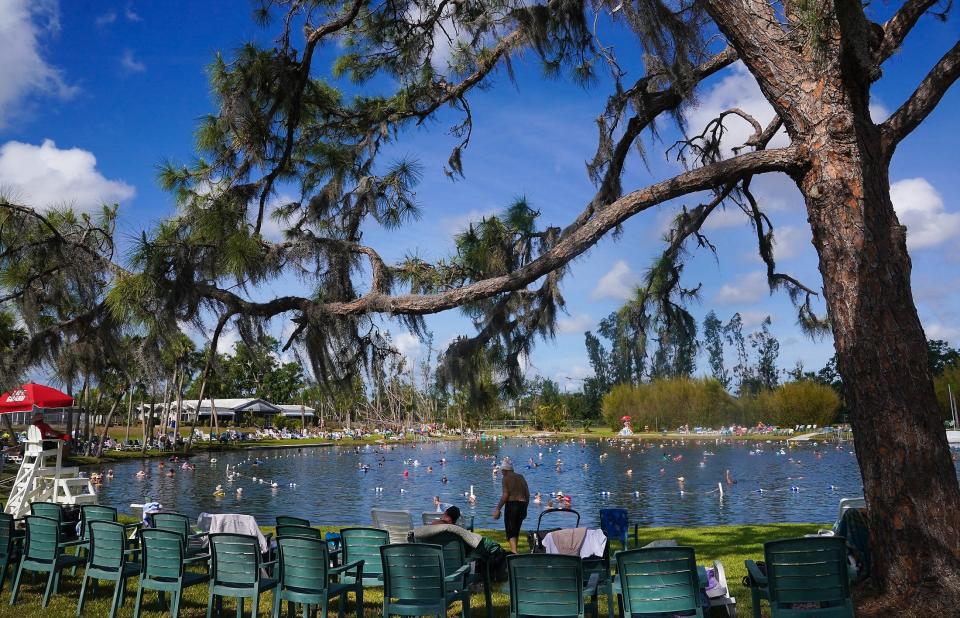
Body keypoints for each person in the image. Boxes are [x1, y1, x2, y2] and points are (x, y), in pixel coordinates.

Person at [493, 458, 529, 553]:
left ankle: (514, 552)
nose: (501, 472)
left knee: (510, 530)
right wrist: (525, 509)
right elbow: (527, 494)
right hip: (522, 504)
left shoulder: (506, 478)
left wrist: (498, 509)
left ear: (505, 470)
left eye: (502, 470)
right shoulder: (521, 477)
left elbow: (506, 494)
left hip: (512, 505)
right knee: (516, 529)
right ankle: (515, 550)